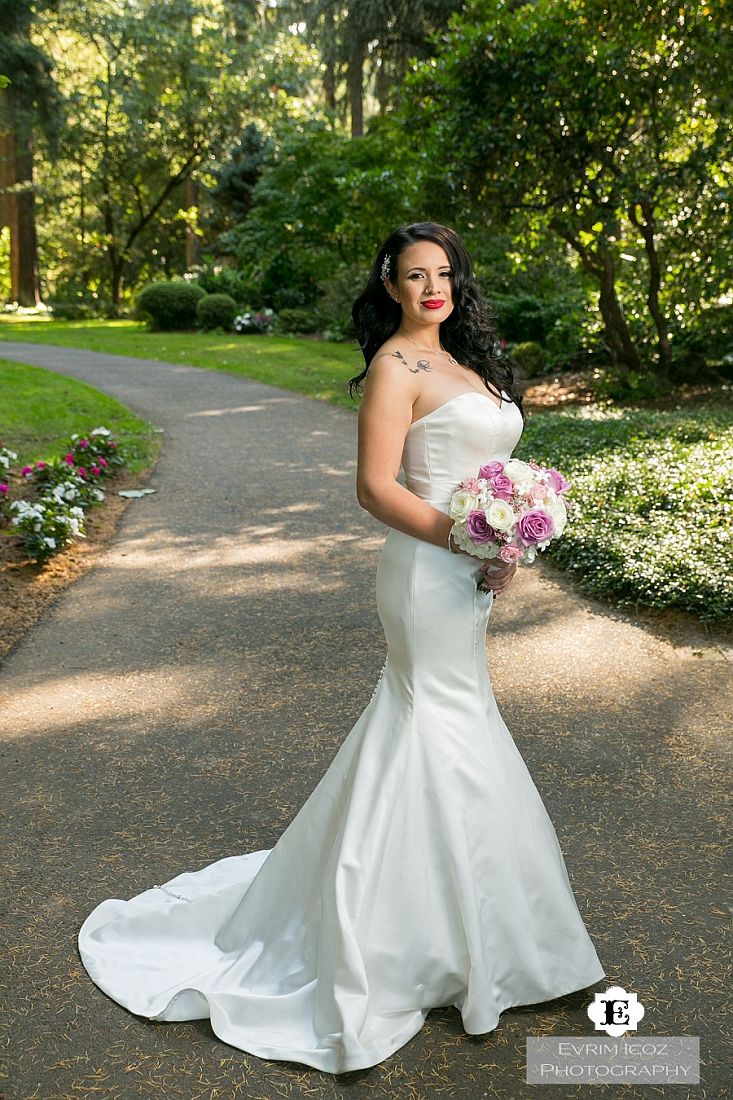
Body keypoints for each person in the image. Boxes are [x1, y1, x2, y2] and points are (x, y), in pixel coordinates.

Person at [77, 221, 605, 1076]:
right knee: (436, 724)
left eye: (441, 274)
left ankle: (471, 930)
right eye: (412, 276)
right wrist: (470, 541)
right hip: (424, 574)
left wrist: (506, 537)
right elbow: (374, 488)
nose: (429, 288)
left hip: (465, 575)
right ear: (389, 287)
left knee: (449, 725)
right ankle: (414, 941)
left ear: (456, 282)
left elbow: (485, 473)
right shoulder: (396, 368)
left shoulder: (469, 362)